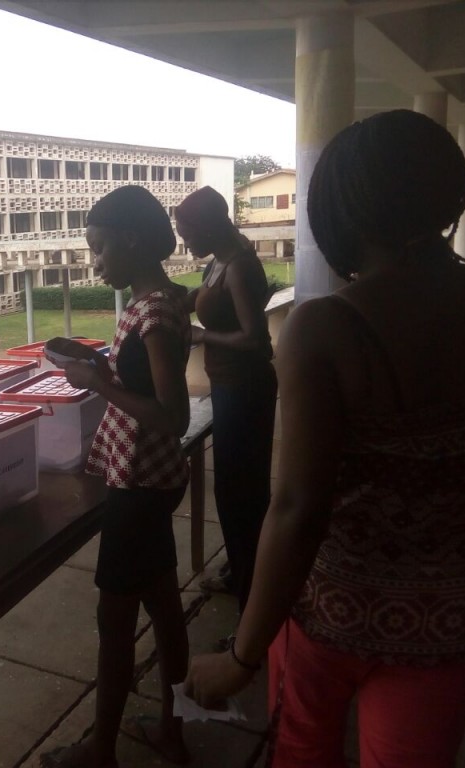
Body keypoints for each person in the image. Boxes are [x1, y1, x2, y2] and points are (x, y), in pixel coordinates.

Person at [185, 109, 465, 768]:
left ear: (342, 210)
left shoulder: (327, 327)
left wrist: (241, 656)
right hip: (460, 612)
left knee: (302, 752)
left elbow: (296, 508)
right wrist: (459, 564)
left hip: (334, 612)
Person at [40, 185, 193, 768]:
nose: (94, 261)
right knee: (165, 608)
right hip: (152, 478)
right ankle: (174, 731)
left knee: (115, 621)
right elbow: (146, 385)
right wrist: (103, 368)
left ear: (130, 239)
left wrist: (95, 383)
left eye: (99, 248)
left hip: (141, 482)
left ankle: (100, 750)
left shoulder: (152, 312)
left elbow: (172, 415)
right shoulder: (157, 298)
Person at [173, 186, 277, 614]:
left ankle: (254, 603)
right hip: (227, 385)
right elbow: (201, 302)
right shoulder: (217, 262)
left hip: (246, 387)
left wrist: (201, 334)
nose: (186, 242)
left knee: (243, 495)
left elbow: (256, 339)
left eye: (189, 232)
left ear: (210, 226)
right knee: (232, 491)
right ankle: (241, 573)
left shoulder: (239, 266)